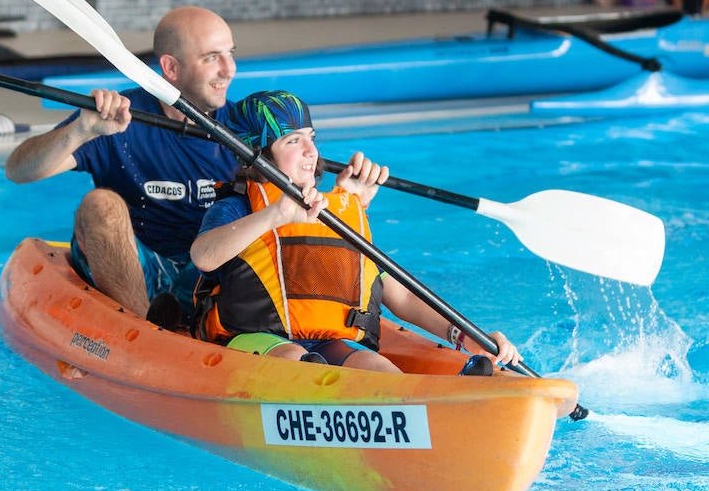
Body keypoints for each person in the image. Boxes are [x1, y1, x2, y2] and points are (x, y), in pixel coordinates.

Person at [190, 91, 521, 373]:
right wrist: (275, 215)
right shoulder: (240, 207)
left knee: (377, 368)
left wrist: (463, 335)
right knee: (297, 360)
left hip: (328, 341)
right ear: (256, 153)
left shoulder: (338, 210)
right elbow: (203, 256)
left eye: (311, 137)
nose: (311, 150)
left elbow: (400, 295)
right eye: (293, 140)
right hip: (255, 340)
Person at [4, 6, 240, 323]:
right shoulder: (117, 119)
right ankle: (141, 333)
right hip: (136, 270)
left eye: (230, 54)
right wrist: (79, 132)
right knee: (100, 204)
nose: (229, 69)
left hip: (207, 275)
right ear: (171, 67)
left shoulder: (244, 129)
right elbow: (18, 171)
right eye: (212, 57)